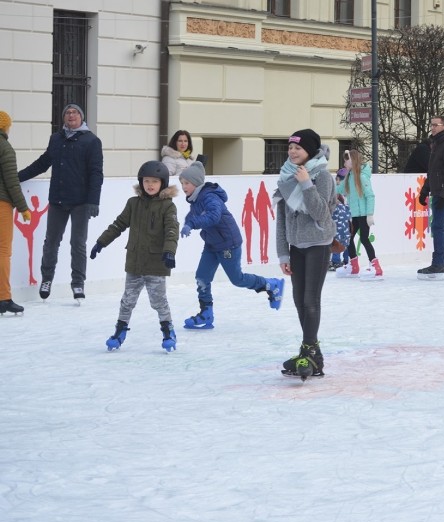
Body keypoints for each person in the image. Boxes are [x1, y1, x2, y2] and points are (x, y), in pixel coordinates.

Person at [178, 161, 285, 329]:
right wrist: (187, 223)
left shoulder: (210, 197)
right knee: (202, 277)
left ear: (196, 183)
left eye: (186, 183)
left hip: (228, 243)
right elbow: (193, 215)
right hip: (212, 243)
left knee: (237, 279)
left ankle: (271, 284)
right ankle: (206, 313)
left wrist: (191, 224)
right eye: (182, 183)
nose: (183, 186)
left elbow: (213, 216)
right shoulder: (195, 199)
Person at [89, 161, 180, 351]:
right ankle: (119, 331)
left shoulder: (168, 207)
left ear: (162, 183)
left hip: (156, 263)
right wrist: (101, 242)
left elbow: (172, 231)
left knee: (158, 301)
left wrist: (169, 252)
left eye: (155, 181)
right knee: (127, 300)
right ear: (141, 182)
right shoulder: (133, 204)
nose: (150, 185)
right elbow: (118, 225)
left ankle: (168, 331)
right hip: (135, 263)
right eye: (147, 181)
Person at [18, 103, 104, 302]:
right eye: (67, 112)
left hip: (81, 202)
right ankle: (47, 279)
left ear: (81, 118)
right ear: (64, 118)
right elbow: (42, 163)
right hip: (57, 199)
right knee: (51, 242)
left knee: (77, 243)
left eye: (75, 112)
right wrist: (17, 177)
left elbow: (96, 173)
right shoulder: (56, 139)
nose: (71, 115)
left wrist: (93, 200)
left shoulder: (91, 141)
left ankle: (78, 284)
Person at [275, 129, 337, 380]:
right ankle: (313, 355)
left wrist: (306, 184)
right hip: (296, 246)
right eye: (290, 147)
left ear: (309, 151)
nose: (292, 152)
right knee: (299, 299)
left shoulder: (322, 176)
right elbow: (281, 219)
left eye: (297, 148)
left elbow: (321, 213)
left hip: (318, 243)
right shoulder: (286, 176)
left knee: (311, 300)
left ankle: (309, 351)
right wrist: (283, 254)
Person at [416, 115, 444, 280]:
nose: (432, 127)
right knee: (442, 226)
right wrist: (424, 191)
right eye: (431, 124)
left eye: (436, 125)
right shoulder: (437, 143)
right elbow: (433, 171)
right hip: (439, 191)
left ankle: (439, 264)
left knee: (438, 227)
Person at [0, 110, 31, 315]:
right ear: (6, 127)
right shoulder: (5, 147)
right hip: (1, 204)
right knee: (3, 251)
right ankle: (3, 298)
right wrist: (23, 208)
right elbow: (12, 182)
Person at [336, 149, 382, 279]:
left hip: (363, 214)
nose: (344, 162)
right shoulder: (350, 176)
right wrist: (327, 187)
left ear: (352, 161)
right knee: (348, 238)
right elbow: (339, 189)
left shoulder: (361, 177)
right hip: (354, 214)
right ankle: (354, 266)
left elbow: (370, 196)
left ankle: (376, 267)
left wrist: (370, 214)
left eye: (346, 159)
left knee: (364, 239)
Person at [330, 168, 351, 271]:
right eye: (338, 179)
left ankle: (346, 260)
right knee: (337, 238)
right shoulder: (334, 191)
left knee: (346, 239)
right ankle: (336, 260)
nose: (338, 181)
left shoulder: (348, 191)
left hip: (346, 219)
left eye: (341, 179)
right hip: (337, 219)